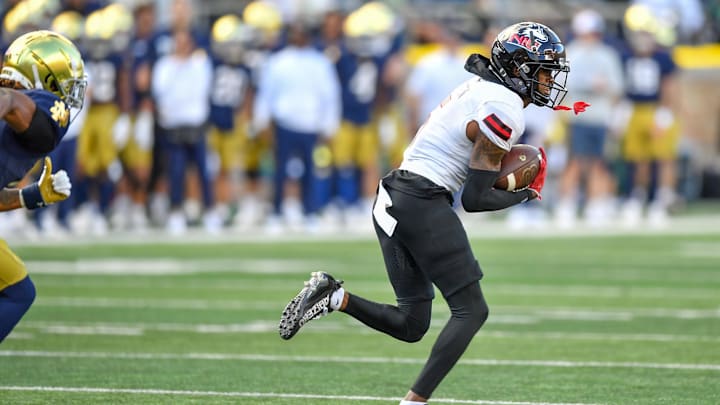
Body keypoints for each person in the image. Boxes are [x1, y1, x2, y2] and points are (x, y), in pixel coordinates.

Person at [279, 21, 569, 404]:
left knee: (412, 324)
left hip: (395, 196)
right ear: (518, 69)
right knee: (472, 311)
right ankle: (413, 402)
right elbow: (476, 199)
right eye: (543, 72)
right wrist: (526, 194)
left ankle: (334, 296)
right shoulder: (505, 107)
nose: (549, 82)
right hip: (419, 199)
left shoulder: (484, 90)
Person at [0, 30, 86, 341]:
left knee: (18, 289)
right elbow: (8, 99)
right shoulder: (47, 109)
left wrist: (31, 196)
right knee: (18, 292)